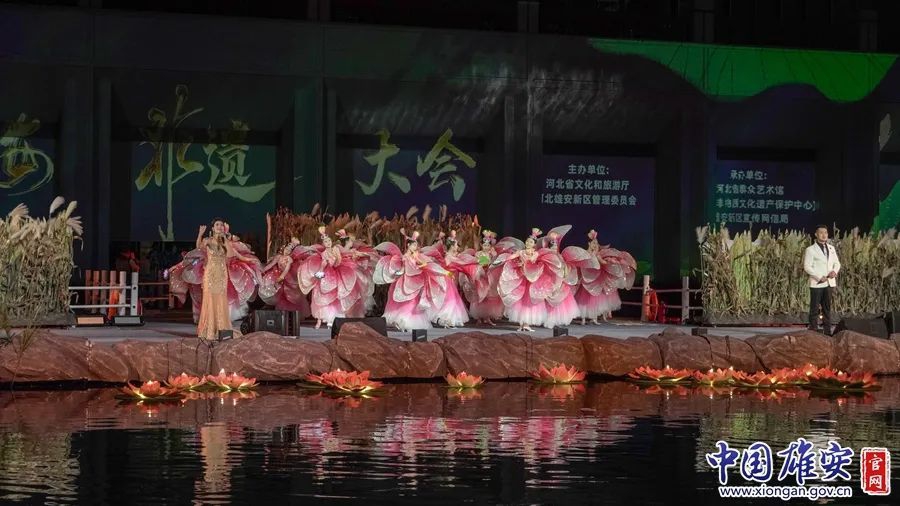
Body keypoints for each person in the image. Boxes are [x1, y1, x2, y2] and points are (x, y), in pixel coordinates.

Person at [803, 225, 841, 335]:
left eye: (826, 232)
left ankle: (827, 332)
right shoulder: (810, 250)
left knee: (827, 309)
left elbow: (837, 263)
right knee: (814, 309)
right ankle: (813, 332)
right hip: (817, 283)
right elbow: (807, 266)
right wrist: (819, 276)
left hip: (829, 282)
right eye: (821, 232)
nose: (824, 235)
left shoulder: (831, 248)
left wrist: (834, 271)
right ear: (816, 234)